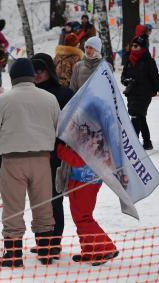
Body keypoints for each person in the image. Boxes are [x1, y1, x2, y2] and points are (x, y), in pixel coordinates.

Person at [0, 58, 60, 267]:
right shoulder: (49, 99)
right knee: (43, 204)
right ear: (33, 76)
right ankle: (46, 251)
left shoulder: (3, 100)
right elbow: (59, 129)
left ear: (12, 77)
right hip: (42, 159)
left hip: (13, 161)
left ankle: (13, 255)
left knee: (13, 208)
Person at [59, 36, 119, 265]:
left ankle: (104, 247)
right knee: (78, 213)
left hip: (94, 117)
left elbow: (109, 94)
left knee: (82, 213)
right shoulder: (78, 66)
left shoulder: (105, 67)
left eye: (93, 48)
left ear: (99, 50)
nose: (89, 51)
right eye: (87, 48)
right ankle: (90, 249)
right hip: (80, 113)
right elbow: (73, 90)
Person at [30, 53, 74, 259]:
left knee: (53, 199)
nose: (37, 74)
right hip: (32, 153)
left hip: (55, 154)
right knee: (38, 199)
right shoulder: (28, 93)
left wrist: (60, 147)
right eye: (33, 70)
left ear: (49, 70)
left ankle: (54, 242)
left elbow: (72, 125)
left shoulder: (64, 93)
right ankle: (42, 240)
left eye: (41, 70)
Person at [121, 35, 159, 150]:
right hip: (132, 93)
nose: (133, 48)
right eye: (132, 46)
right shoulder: (129, 60)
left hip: (144, 94)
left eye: (136, 46)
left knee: (135, 115)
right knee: (140, 117)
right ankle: (147, 142)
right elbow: (123, 77)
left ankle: (133, 143)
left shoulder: (149, 61)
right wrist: (127, 81)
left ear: (142, 48)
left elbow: (156, 78)